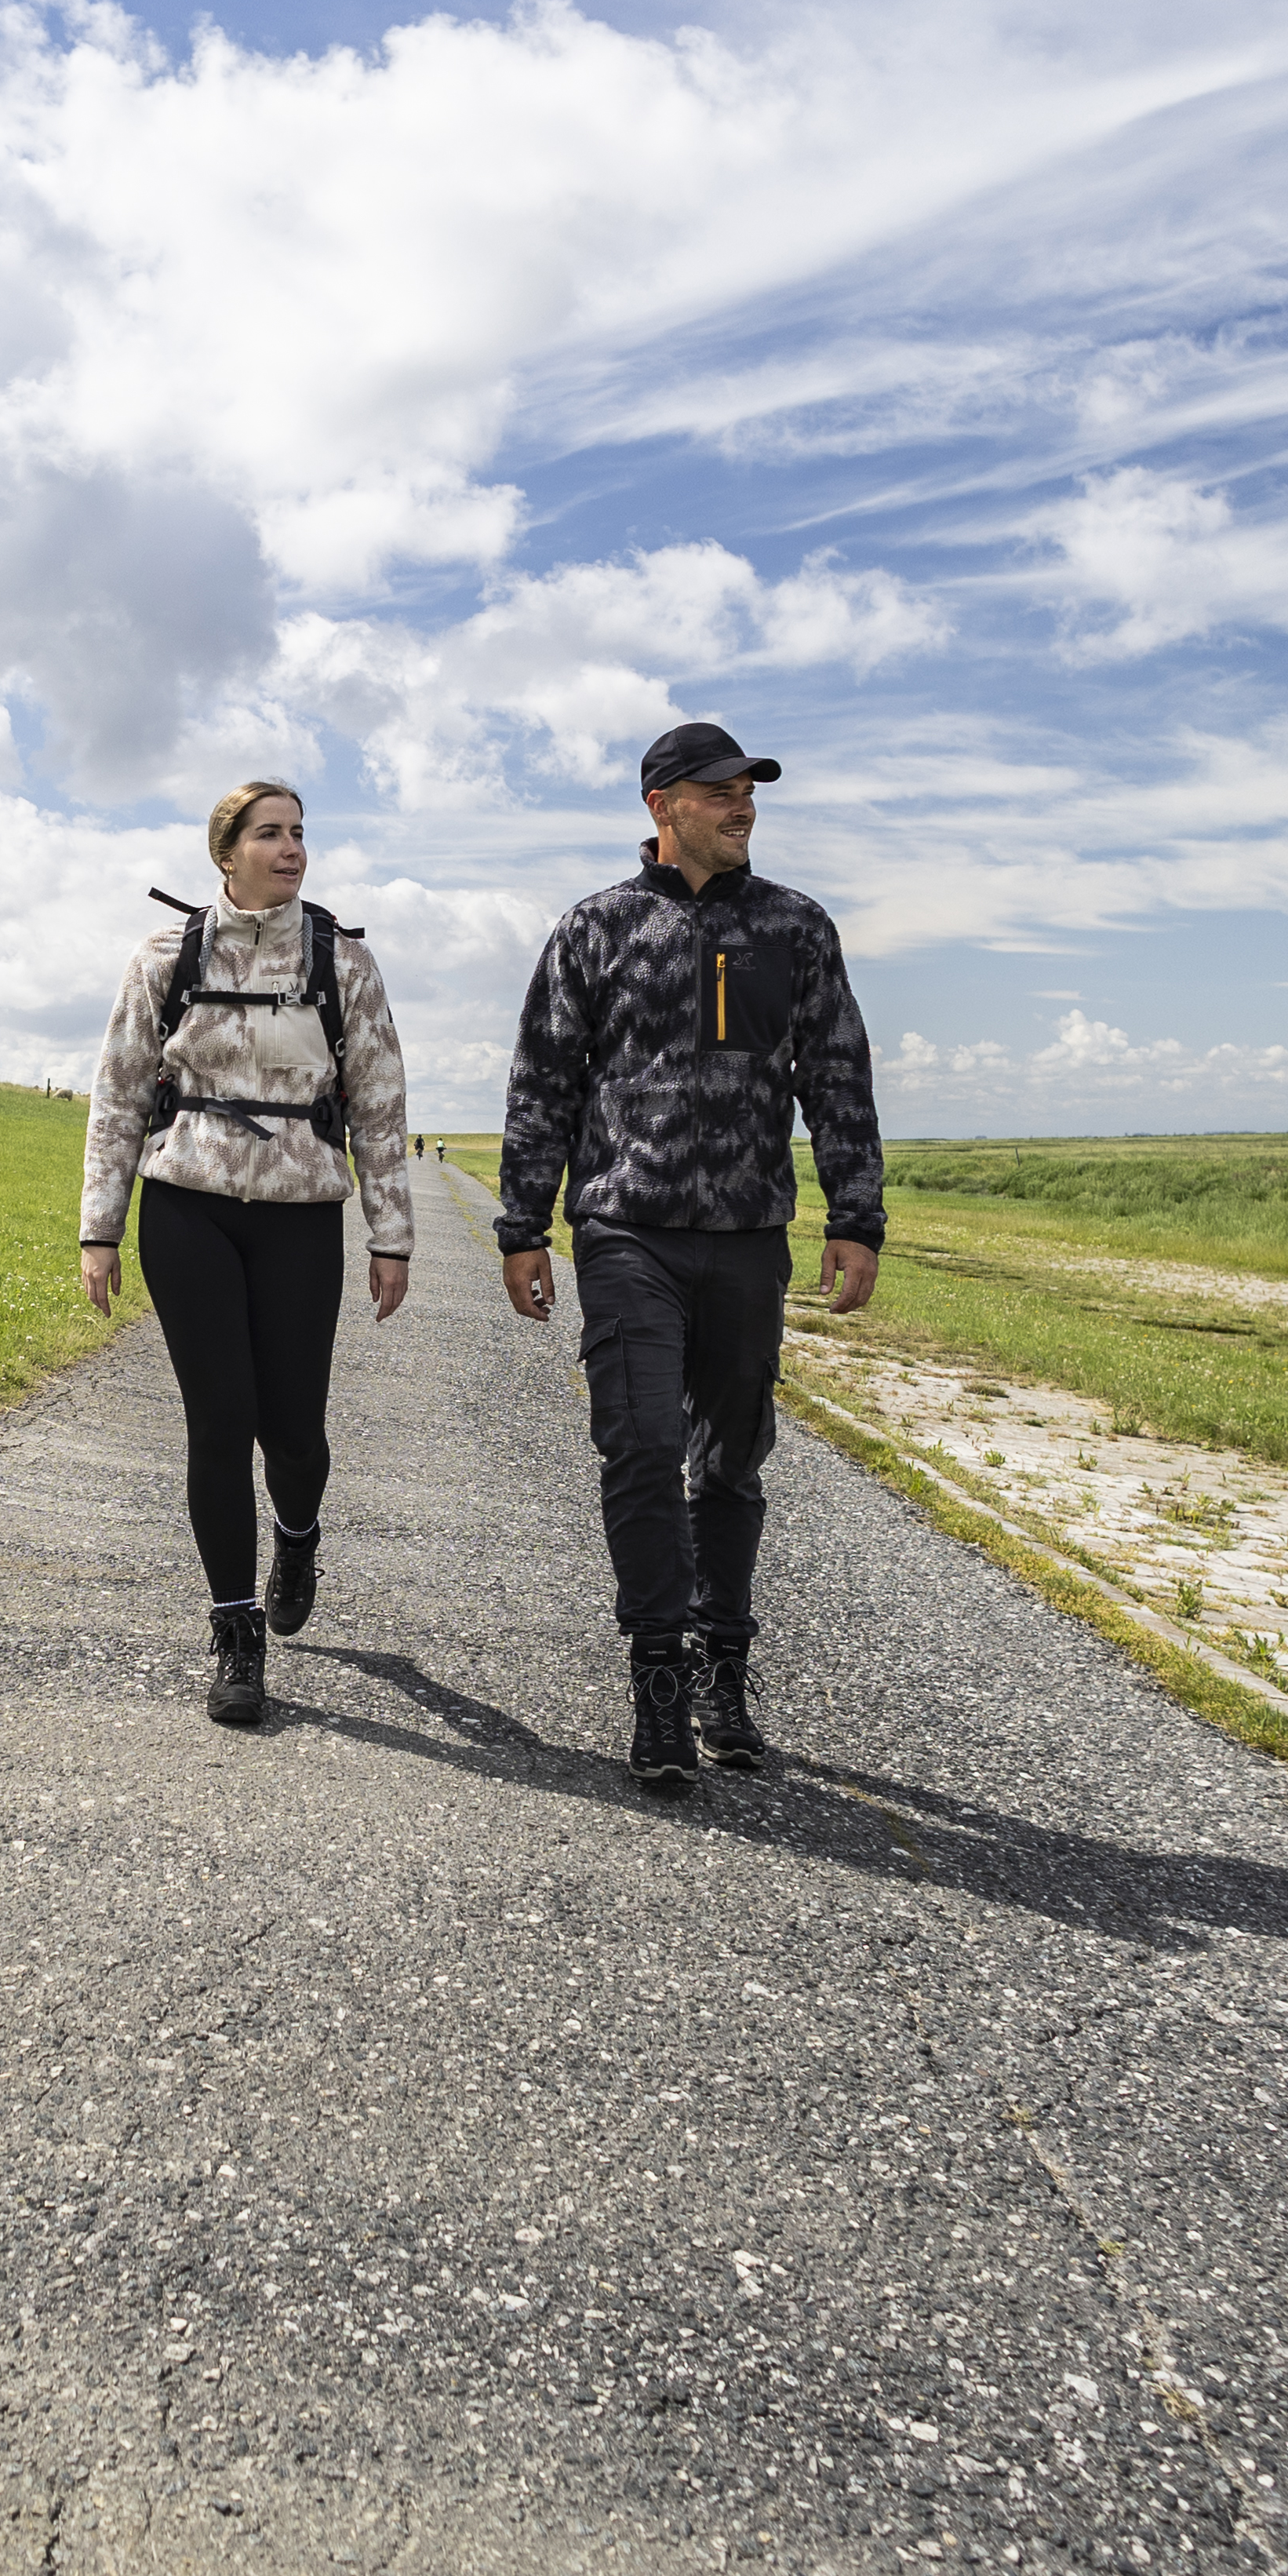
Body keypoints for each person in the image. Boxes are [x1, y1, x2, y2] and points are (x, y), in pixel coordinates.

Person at [494, 720, 886, 1796]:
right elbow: (543, 1084)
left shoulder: (794, 929)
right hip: (626, 1231)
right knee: (636, 1447)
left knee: (728, 1459)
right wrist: (522, 1226)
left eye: (747, 789)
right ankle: (655, 1673)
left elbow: (836, 1076)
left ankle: (723, 1665)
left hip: (748, 1237)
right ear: (662, 807)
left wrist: (855, 1213)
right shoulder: (595, 929)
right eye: (719, 790)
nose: (741, 805)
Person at [82, 780, 417, 1727]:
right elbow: (117, 1097)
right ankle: (235, 1633)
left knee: (293, 1431)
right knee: (218, 1421)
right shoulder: (164, 956)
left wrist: (390, 1235)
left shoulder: (341, 962)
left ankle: (298, 1534)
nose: (291, 848)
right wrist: (98, 1229)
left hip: (300, 1213)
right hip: (186, 1206)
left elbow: (381, 1107)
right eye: (269, 833)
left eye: (299, 833)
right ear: (223, 852)